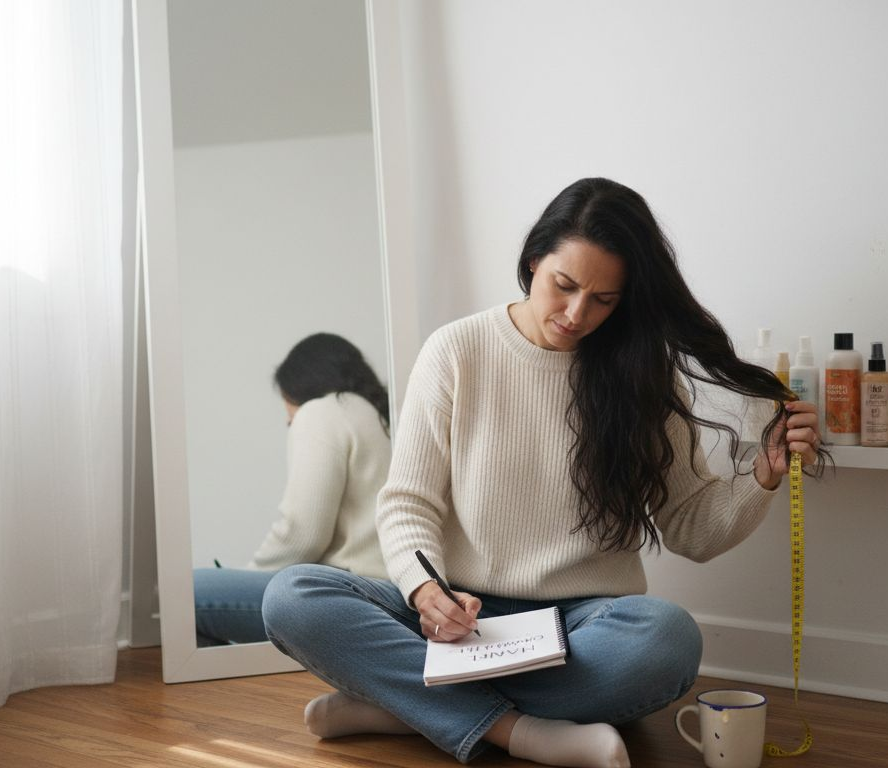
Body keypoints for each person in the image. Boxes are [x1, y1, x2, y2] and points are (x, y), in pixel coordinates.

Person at [260, 178, 822, 766]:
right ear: (533, 263)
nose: (578, 314)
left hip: (578, 623)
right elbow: (407, 503)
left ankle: (407, 706)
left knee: (668, 639)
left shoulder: (644, 377)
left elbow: (689, 529)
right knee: (293, 596)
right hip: (460, 616)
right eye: (565, 285)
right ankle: (519, 731)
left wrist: (761, 479)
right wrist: (428, 592)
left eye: (604, 300)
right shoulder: (457, 351)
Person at [193, 333, 391, 645]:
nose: (291, 423)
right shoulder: (380, 414)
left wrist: (250, 573)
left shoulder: (323, 412)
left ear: (298, 390)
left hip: (348, 594)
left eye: (290, 418)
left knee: (188, 594)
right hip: (391, 593)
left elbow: (302, 535)